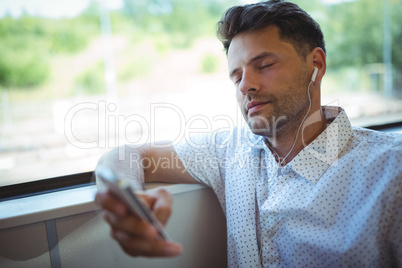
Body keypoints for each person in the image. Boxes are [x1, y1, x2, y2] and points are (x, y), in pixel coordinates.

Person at [95, 0, 402, 267]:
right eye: (236, 76)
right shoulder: (230, 151)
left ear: (316, 65)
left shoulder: (391, 173)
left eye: (264, 65)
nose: (245, 86)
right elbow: (126, 155)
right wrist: (129, 202)